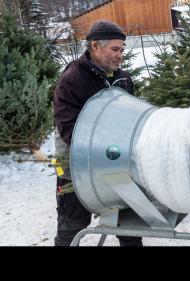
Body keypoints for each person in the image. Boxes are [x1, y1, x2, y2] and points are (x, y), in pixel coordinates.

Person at [53, 20, 142, 246]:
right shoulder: (72, 80)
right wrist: (105, 149)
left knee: (129, 224)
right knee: (71, 225)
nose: (120, 55)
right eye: (115, 49)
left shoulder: (123, 79)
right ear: (95, 46)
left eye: (122, 49)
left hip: (118, 161)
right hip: (75, 164)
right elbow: (68, 127)